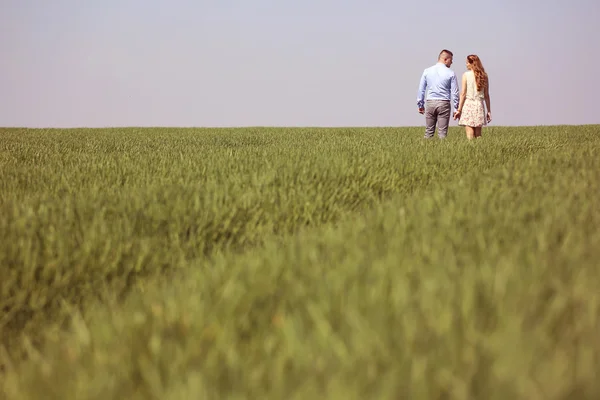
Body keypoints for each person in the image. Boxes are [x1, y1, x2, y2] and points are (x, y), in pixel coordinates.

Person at [416, 49, 460, 139]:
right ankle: (442, 152)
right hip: (444, 103)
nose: (451, 62)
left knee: (428, 132)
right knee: (442, 134)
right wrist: (456, 108)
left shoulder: (427, 71)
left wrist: (420, 104)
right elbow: (455, 92)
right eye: (451, 60)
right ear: (445, 59)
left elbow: (421, 89)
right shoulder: (451, 73)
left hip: (430, 102)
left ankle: (425, 151)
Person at [453, 54, 492, 139]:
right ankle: (479, 149)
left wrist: (459, 109)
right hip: (479, 104)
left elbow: (463, 93)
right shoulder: (484, 76)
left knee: (469, 130)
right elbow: (486, 95)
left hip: (468, 104)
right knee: (478, 133)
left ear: (472, 63)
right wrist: (489, 111)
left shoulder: (466, 75)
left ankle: (471, 149)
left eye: (467, 63)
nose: (466, 65)